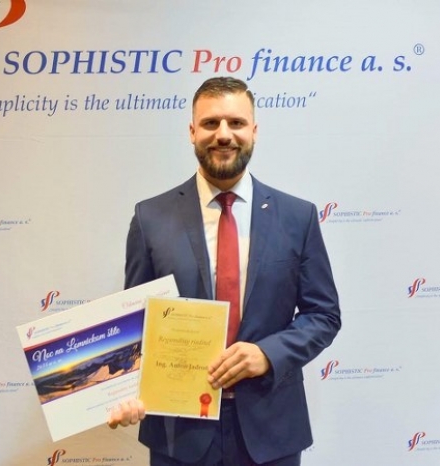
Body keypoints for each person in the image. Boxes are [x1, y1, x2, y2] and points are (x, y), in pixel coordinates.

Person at [108, 77, 341, 465]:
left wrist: (267, 354)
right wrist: (123, 391)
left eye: (236, 123)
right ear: (192, 132)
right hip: (178, 433)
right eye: (210, 123)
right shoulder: (150, 218)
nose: (223, 134)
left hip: (271, 430)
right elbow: (135, 324)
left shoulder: (297, 217)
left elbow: (324, 315)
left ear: (254, 131)